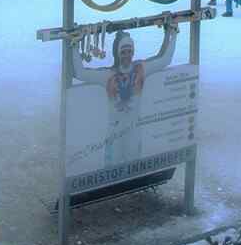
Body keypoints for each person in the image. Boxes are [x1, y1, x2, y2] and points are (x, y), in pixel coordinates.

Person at [72, 20, 178, 168]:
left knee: (133, 166)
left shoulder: (141, 69)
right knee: (112, 168)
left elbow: (165, 60)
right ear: (117, 53)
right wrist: (74, 45)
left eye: (129, 51)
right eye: (123, 52)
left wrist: (173, 34)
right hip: (114, 131)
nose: (127, 55)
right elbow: (80, 73)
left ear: (133, 52)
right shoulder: (108, 75)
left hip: (134, 129)